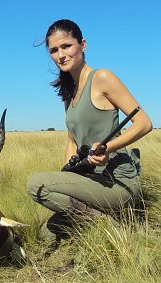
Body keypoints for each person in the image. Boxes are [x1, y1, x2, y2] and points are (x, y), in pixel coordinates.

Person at [27, 19, 153, 243]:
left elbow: (144, 123)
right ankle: (105, 216)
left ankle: (110, 226)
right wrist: (69, 171)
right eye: (54, 50)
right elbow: (72, 141)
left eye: (66, 46)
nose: (61, 55)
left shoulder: (102, 78)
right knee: (46, 233)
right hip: (91, 180)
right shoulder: (69, 93)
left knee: (36, 185)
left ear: (82, 45)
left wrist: (108, 148)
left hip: (117, 183)